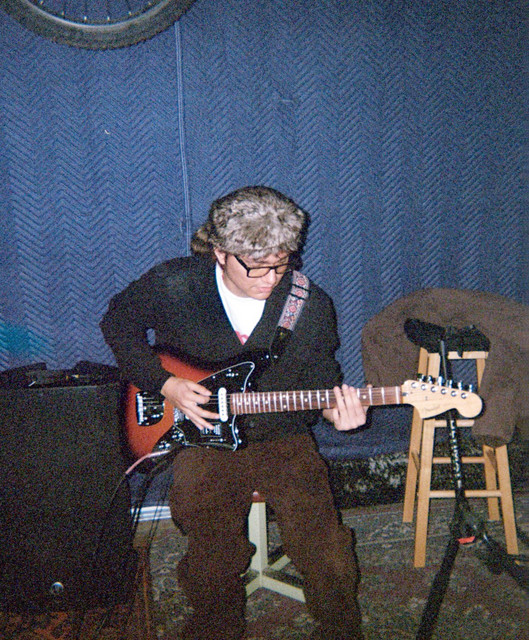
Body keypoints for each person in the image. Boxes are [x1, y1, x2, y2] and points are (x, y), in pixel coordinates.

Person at [100, 185, 367, 640]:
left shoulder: (309, 304)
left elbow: (322, 375)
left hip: (281, 434)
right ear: (221, 254)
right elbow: (117, 323)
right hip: (202, 435)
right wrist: (165, 384)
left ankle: (341, 628)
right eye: (256, 267)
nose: (270, 279)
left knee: (326, 551)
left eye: (281, 264)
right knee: (213, 555)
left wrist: (337, 413)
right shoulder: (175, 284)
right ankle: (216, 626)